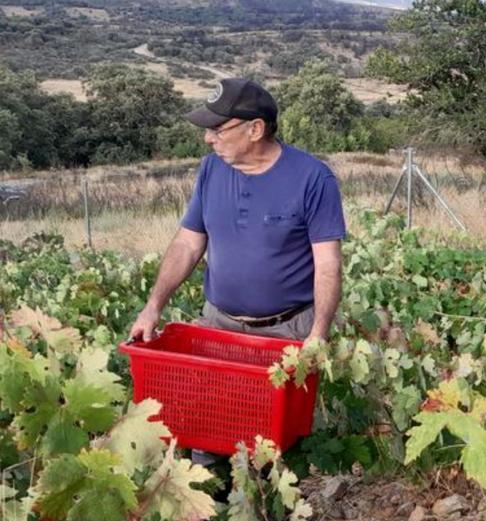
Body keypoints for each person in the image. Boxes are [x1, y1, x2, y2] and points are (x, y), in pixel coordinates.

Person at [129, 77, 346, 346]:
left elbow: (328, 264)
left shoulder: (313, 179)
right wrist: (153, 307)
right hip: (218, 325)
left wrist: (318, 334)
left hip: (288, 331)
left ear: (255, 129)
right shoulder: (211, 169)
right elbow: (188, 244)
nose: (208, 139)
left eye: (218, 129)